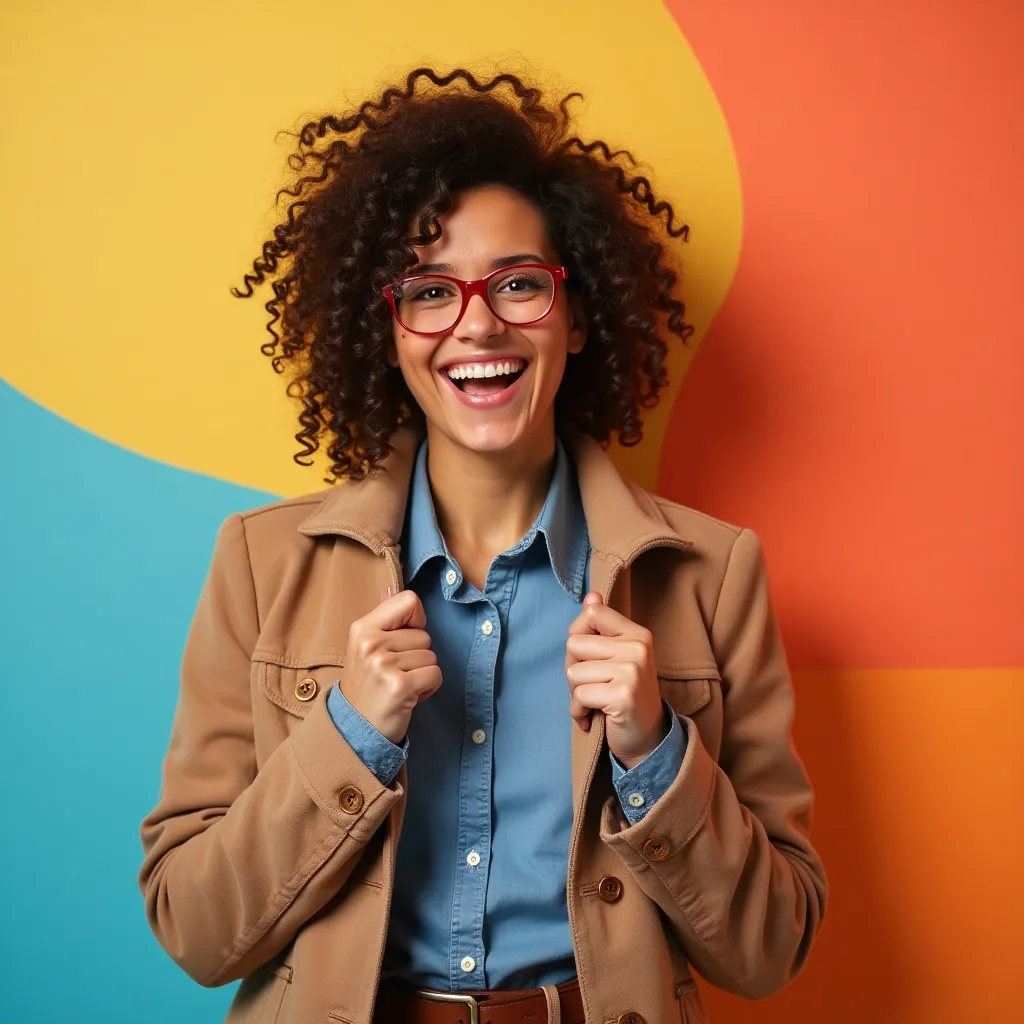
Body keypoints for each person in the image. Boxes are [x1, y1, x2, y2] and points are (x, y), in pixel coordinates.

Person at [138, 67, 826, 1024]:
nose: (478, 323)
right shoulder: (261, 562)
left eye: (517, 283)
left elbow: (768, 951)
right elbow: (194, 930)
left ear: (578, 313)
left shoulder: (712, 575)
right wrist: (349, 737)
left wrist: (656, 751)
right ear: (386, 331)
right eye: (430, 291)